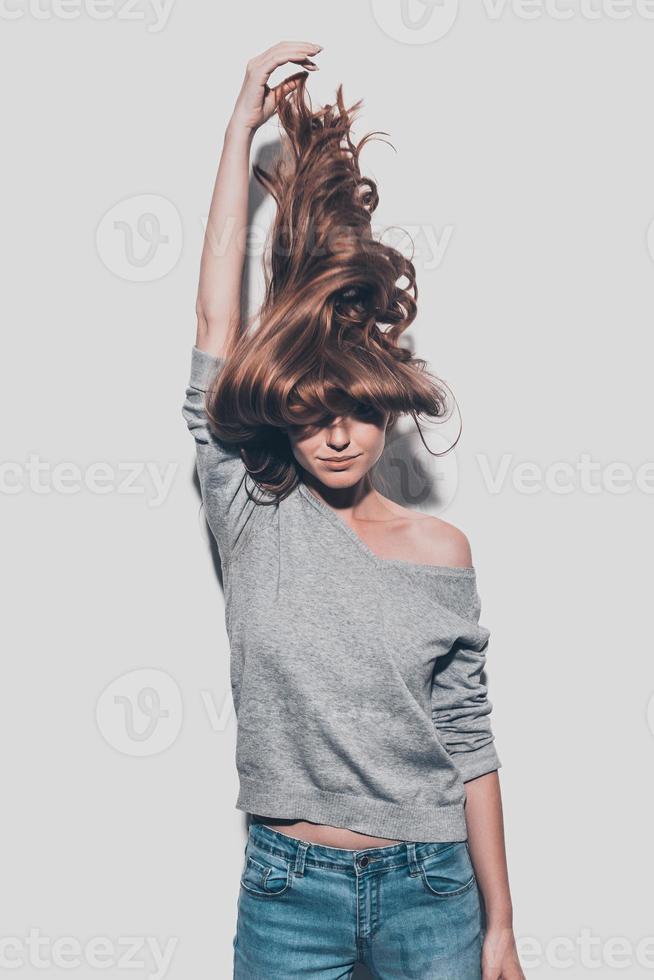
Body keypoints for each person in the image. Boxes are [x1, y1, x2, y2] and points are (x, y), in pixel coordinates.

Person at [182, 40, 524, 980]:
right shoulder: (252, 511)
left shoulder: (441, 550)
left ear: (388, 410)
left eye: (359, 412)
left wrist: (501, 926)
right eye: (312, 411)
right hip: (291, 890)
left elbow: (470, 739)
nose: (336, 435)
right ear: (283, 414)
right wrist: (238, 127)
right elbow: (216, 327)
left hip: (435, 889)